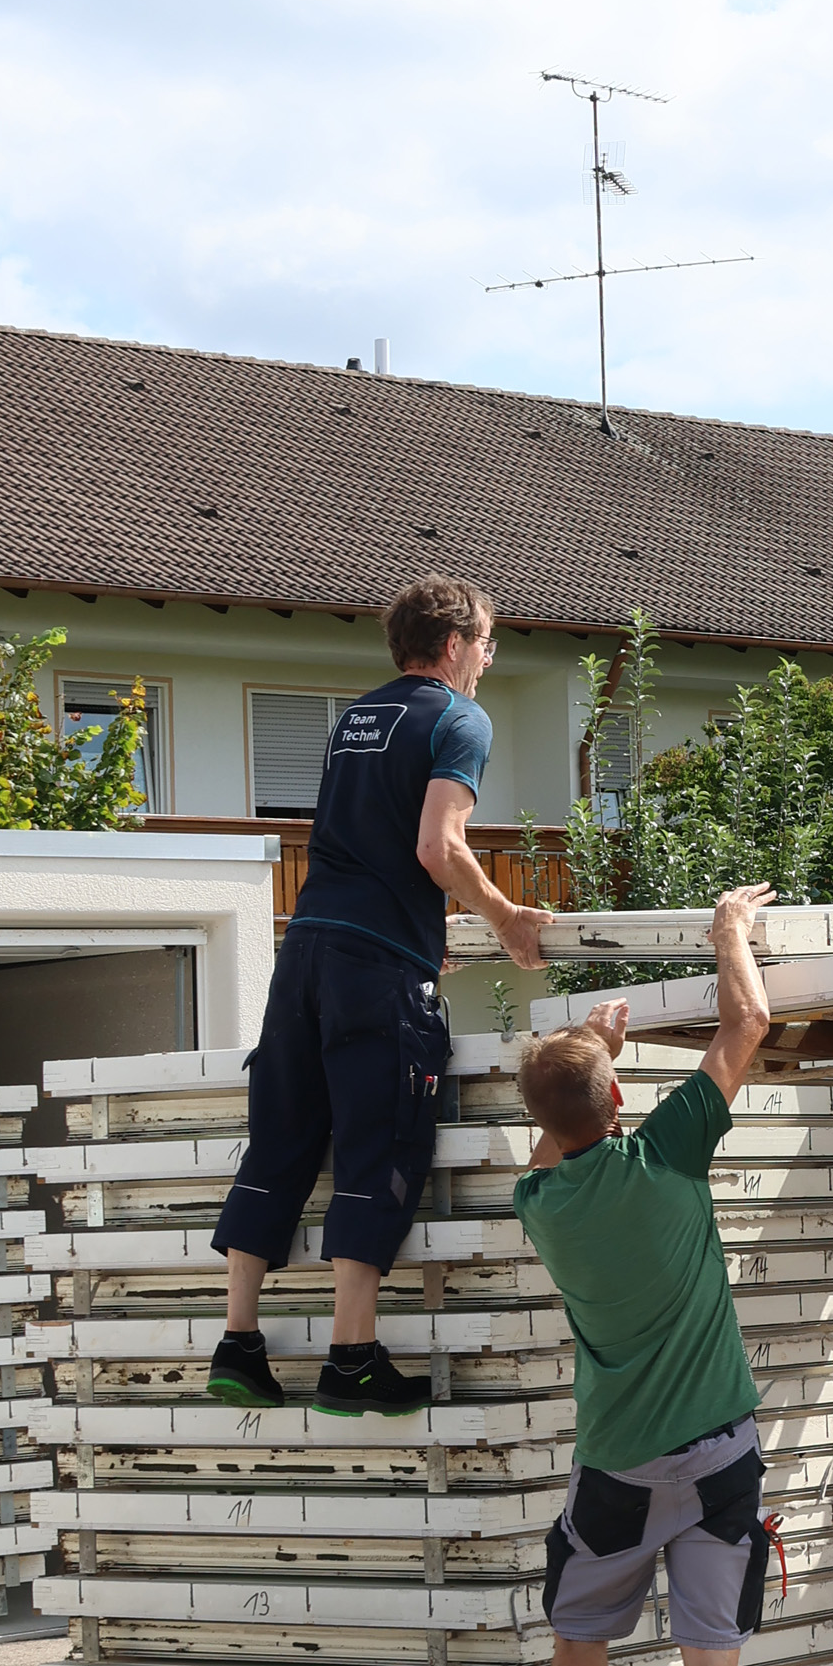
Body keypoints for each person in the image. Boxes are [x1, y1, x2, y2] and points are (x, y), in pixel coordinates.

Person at [207, 573, 547, 1420]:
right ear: (457, 644)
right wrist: (506, 918)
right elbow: (439, 846)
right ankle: (350, 1357)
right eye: (488, 644)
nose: (489, 660)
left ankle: (239, 1343)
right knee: (379, 1145)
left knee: (279, 1139)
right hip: (375, 970)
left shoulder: (353, 718)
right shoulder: (460, 718)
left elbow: (365, 842)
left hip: (307, 953)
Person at [507, 881, 778, 1666]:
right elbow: (746, 1021)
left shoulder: (542, 1205)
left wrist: (584, 1046)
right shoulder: (665, 1155)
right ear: (620, 1102)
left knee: (577, 1639)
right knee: (709, 1655)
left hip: (614, 1467)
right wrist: (727, 935)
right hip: (715, 1462)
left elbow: (553, 1132)